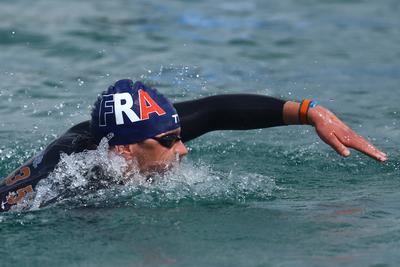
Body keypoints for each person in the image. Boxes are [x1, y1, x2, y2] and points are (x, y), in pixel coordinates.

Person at [0, 79, 387, 212]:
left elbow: (216, 111)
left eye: (179, 135)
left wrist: (311, 112)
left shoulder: (121, 133)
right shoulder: (78, 184)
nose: (183, 149)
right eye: (169, 141)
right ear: (123, 150)